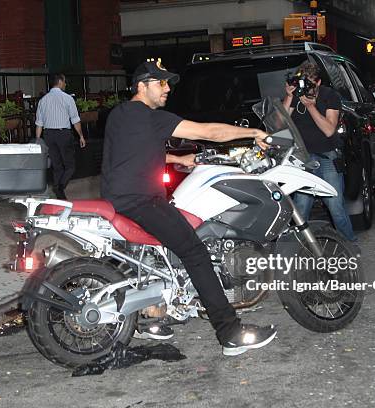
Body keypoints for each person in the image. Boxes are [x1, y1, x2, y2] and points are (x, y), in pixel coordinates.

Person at [101, 60, 277, 356]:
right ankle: (230, 332)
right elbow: (209, 132)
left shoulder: (119, 114)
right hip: (141, 200)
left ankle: (151, 318)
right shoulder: (152, 118)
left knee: (159, 253)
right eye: (161, 83)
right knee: (195, 253)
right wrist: (253, 133)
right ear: (142, 86)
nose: (167, 88)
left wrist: (176, 160)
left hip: (117, 198)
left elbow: (132, 152)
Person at [282, 62, 356, 242]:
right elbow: (280, 123)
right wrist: (289, 97)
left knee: (335, 206)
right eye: (304, 84)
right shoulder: (296, 96)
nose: (308, 89)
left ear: (319, 82)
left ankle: (350, 245)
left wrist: (311, 107)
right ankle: (299, 248)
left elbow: (329, 130)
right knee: (301, 207)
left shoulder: (330, 96)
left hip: (327, 156)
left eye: (311, 85)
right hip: (304, 159)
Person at [35, 73, 86, 199]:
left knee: (56, 165)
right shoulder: (67, 98)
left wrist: (38, 140)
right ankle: (60, 187)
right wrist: (81, 136)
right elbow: (75, 120)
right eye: (65, 82)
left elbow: (39, 124)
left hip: (49, 135)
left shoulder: (43, 100)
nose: (66, 84)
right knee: (70, 166)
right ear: (60, 82)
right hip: (63, 134)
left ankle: (59, 191)